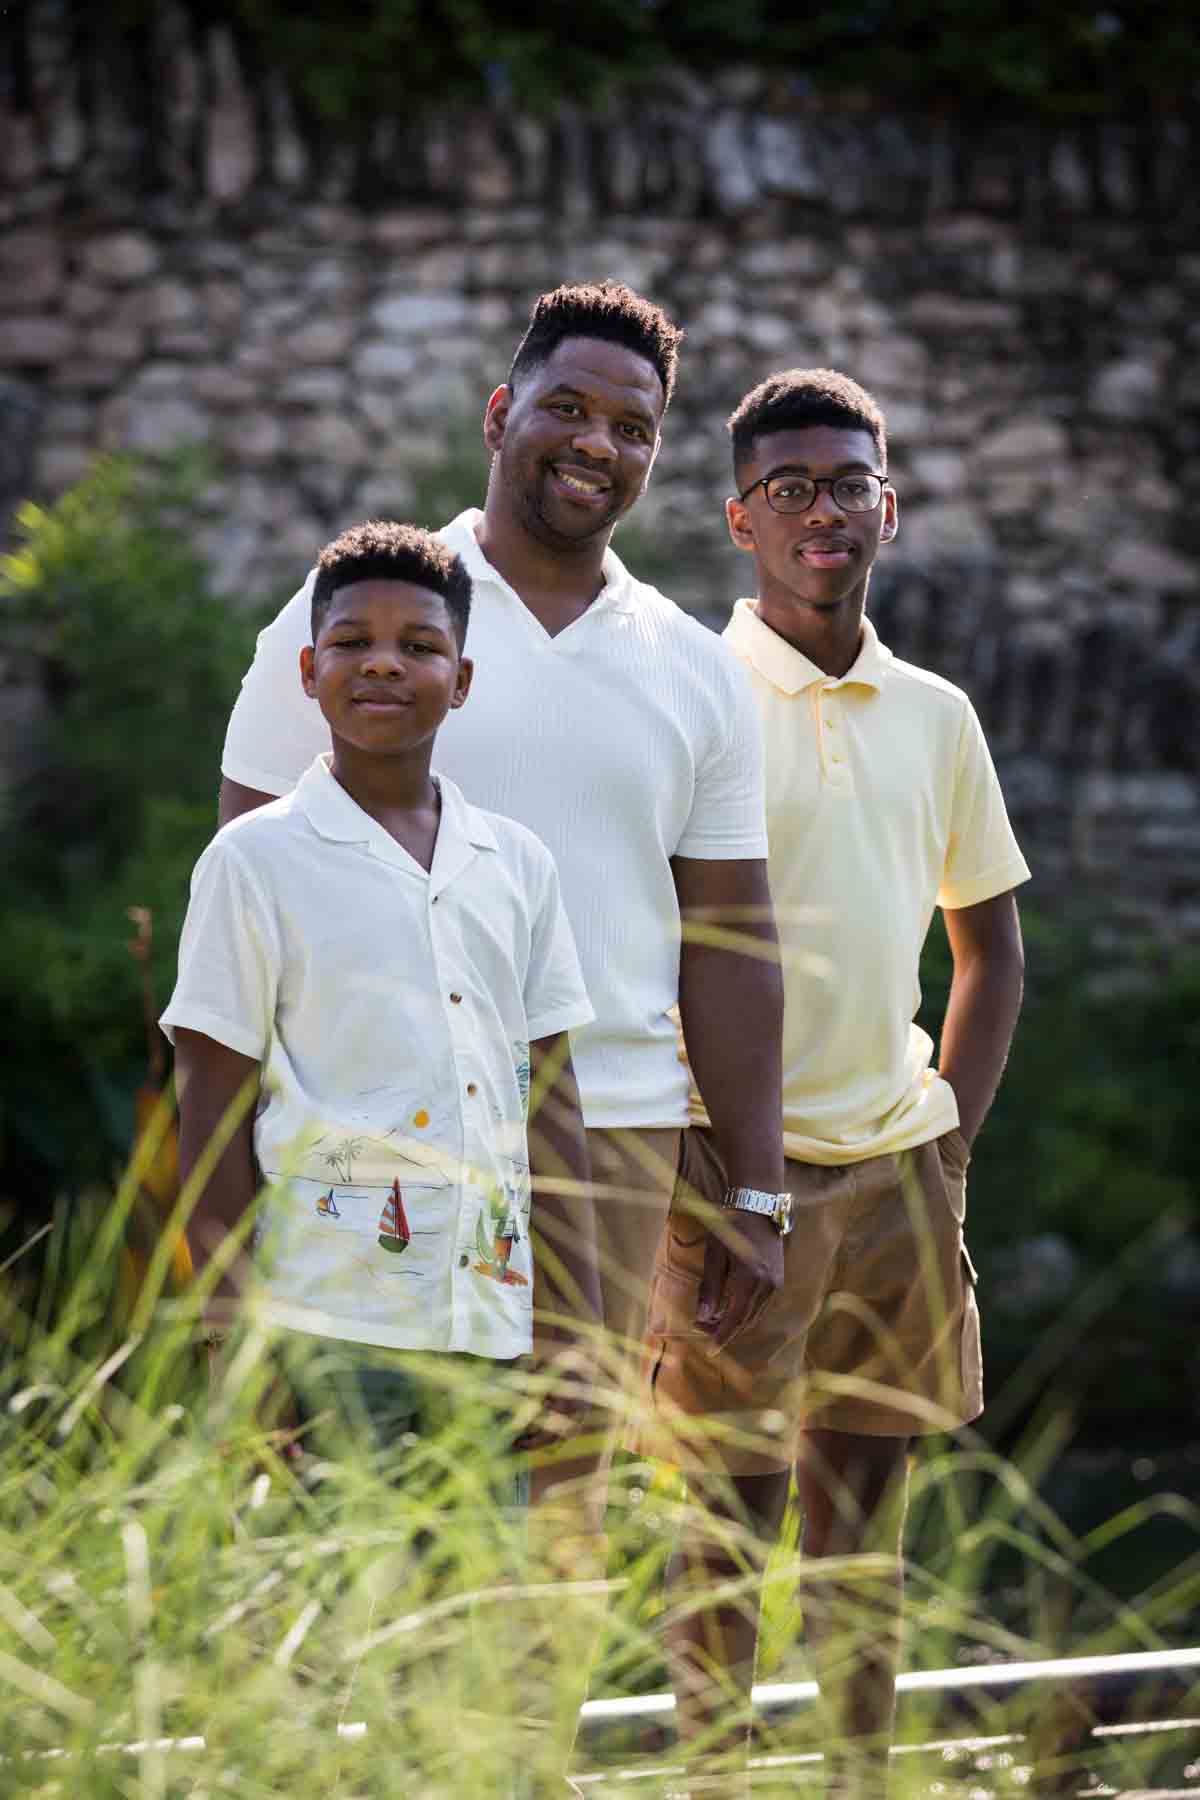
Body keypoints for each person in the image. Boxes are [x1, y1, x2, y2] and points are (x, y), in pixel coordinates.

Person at [216, 284, 788, 1505]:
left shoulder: (692, 670)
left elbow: (733, 941)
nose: (597, 444)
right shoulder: (356, 630)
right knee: (364, 1512)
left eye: (633, 428)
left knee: (563, 1528)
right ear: (500, 411)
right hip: (374, 1137)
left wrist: (753, 1184)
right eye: (567, 407)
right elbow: (249, 896)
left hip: (615, 1148)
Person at [634, 370, 1030, 1797]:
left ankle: (864, 1784)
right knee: (724, 1540)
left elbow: (989, 947)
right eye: (789, 490)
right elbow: (637, 951)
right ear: (741, 519)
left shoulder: (936, 713)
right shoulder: (689, 696)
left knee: (868, 1537)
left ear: (890, 508)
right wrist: (697, 1172)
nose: (823, 512)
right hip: (734, 1183)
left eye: (848, 484)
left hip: (900, 1178)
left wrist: (951, 1153)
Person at [162, 520, 600, 1487]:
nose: (384, 666)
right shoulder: (253, 861)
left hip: (488, 1329)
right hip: (326, 1333)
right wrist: (236, 1350)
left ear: (465, 678)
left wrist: (574, 1337)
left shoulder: (516, 865)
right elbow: (213, 1116)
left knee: (474, 1621)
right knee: (330, 1622)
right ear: (311, 669)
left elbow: (554, 1110)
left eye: (420, 646)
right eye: (354, 643)